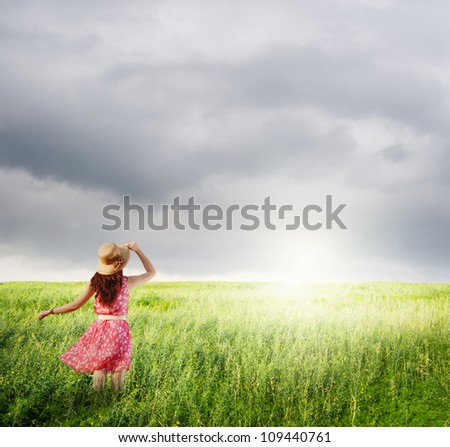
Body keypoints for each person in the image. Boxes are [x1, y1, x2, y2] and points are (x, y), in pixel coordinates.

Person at [38, 241, 156, 390]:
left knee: (100, 366)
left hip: (100, 328)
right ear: (120, 265)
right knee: (118, 368)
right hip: (119, 328)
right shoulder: (127, 283)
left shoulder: (95, 283)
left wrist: (50, 311)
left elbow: (75, 305)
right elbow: (151, 272)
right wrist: (137, 250)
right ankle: (115, 399)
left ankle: (97, 397)